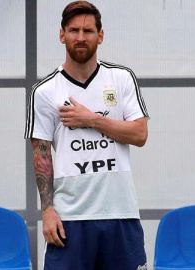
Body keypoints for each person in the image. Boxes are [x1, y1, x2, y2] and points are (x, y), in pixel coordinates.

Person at [24, 1, 150, 269]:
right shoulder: (45, 91)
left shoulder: (121, 78)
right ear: (62, 35)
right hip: (70, 219)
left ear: (100, 36)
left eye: (88, 31)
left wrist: (91, 119)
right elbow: (41, 155)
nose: (80, 37)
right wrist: (47, 210)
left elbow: (140, 134)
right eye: (73, 30)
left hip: (120, 213)